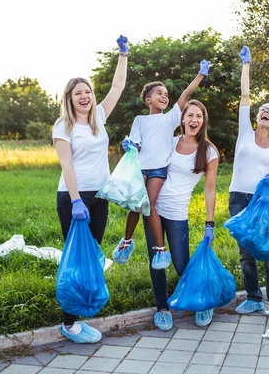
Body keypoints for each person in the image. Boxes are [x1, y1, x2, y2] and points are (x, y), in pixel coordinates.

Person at [53, 35, 129, 343]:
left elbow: (117, 88)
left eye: (87, 92)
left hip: (99, 196)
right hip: (75, 198)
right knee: (78, 260)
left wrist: (123, 55)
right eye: (77, 93)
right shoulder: (64, 126)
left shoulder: (98, 117)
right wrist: (75, 201)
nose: (84, 96)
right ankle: (68, 322)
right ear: (69, 99)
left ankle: (81, 309)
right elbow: (66, 166)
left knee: (94, 255)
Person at [113, 61, 210, 266]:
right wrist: (130, 146)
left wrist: (200, 74)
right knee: (136, 205)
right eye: (159, 93)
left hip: (158, 169)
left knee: (150, 204)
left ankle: (160, 249)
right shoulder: (139, 120)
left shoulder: (170, 118)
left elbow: (186, 95)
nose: (164, 96)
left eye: (165, 93)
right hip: (141, 167)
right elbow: (136, 146)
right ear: (148, 99)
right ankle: (126, 241)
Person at [228, 46, 269, 328]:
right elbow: (244, 96)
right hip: (238, 199)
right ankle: (253, 297)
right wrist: (247, 65)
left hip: (261, 202)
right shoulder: (245, 132)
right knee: (246, 253)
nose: (266, 112)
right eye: (263, 109)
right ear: (257, 117)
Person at [143, 99, 219, 330]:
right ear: (182, 119)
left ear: (203, 121)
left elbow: (210, 189)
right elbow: (146, 156)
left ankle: (202, 302)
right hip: (152, 210)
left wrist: (209, 223)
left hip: (177, 213)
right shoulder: (170, 142)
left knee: (180, 264)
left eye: (199, 116)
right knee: (157, 261)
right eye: (190, 115)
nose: (194, 120)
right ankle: (162, 308)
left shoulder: (209, 151)